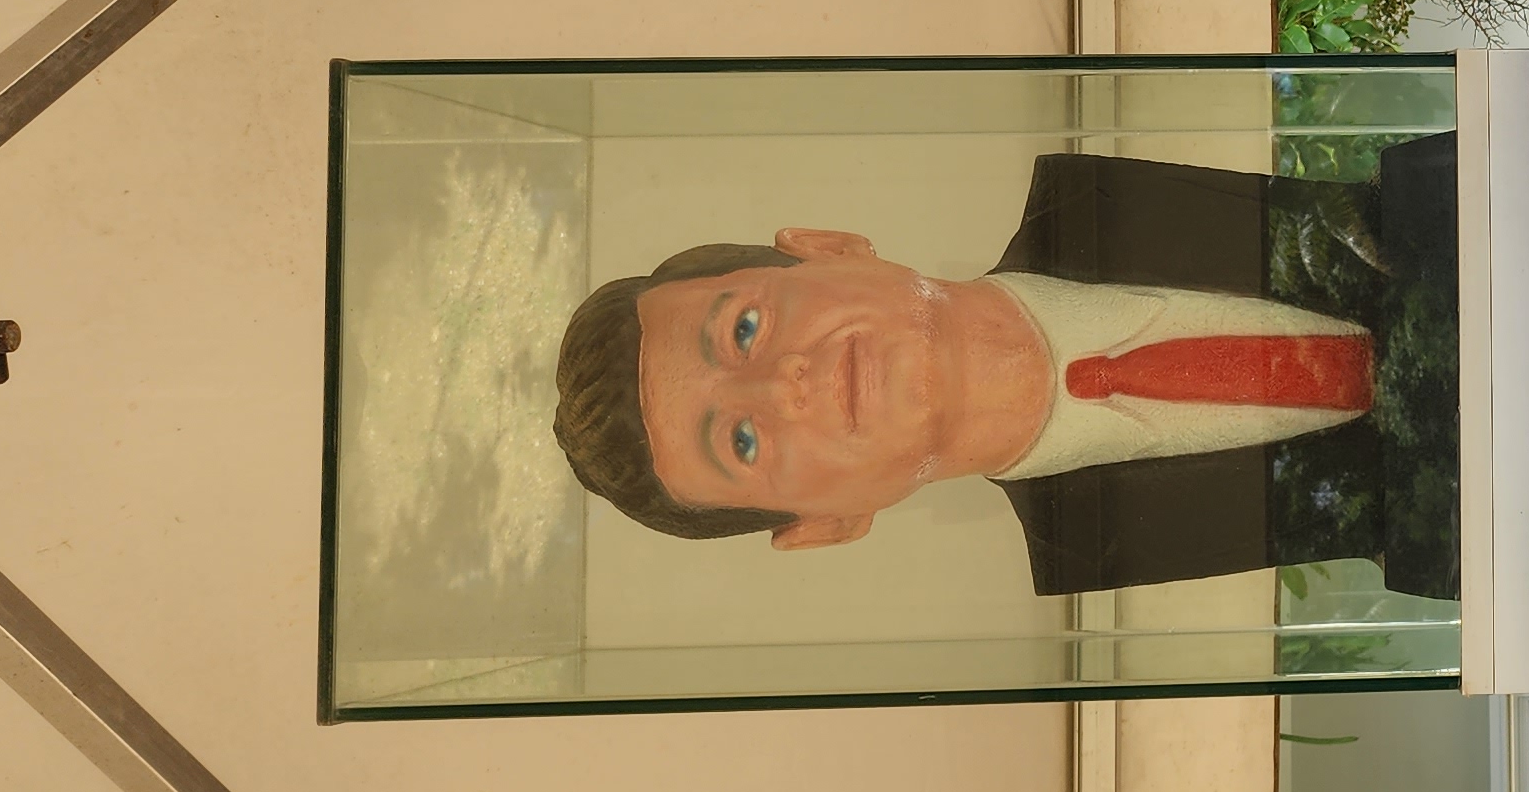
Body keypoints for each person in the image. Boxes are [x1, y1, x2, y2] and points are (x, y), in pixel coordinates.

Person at [547, 137, 1455, 600]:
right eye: (741, 439)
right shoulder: (1104, 545)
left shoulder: (1100, 203)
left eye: (743, 331)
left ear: (827, 247)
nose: (782, 386)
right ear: (825, 527)